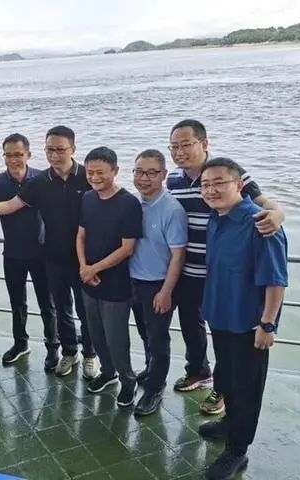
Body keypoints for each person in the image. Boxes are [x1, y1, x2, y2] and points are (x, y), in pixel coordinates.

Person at [166, 119, 285, 415]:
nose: (179, 152)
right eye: (174, 147)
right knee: (196, 328)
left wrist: (278, 214)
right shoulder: (174, 179)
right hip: (188, 269)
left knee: (234, 342)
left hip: (223, 271)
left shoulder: (228, 172)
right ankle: (199, 372)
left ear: (204, 143)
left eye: (186, 144)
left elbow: (262, 202)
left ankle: (223, 392)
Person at [0, 126, 100, 380]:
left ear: (73, 149)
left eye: (60, 149)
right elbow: (10, 205)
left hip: (83, 259)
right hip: (50, 256)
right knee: (61, 308)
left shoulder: (87, 177)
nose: (55, 155)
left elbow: (107, 201)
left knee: (85, 310)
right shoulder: (39, 182)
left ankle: (90, 354)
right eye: (50, 150)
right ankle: (69, 352)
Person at [198, 157, 288, 480]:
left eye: (219, 182)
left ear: (239, 184)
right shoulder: (216, 219)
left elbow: (276, 281)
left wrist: (267, 324)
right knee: (226, 376)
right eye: (206, 185)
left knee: (247, 387)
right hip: (219, 314)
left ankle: (238, 450)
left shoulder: (261, 224)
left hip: (249, 323)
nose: (211, 190)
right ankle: (228, 423)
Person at [0, 133, 59, 368]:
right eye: (8, 155)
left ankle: (53, 346)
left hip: (43, 252)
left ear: (28, 154)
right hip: (13, 253)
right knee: (17, 303)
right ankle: (20, 343)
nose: (13, 159)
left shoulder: (43, 179)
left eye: (18, 154)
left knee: (48, 304)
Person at [75, 147, 142, 406]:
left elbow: (127, 248)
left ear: (115, 171)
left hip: (116, 283)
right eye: (90, 172)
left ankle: (128, 380)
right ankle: (108, 372)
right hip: (88, 280)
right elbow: (81, 235)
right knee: (96, 333)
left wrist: (94, 269)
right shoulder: (88, 198)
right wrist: (84, 267)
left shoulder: (128, 203)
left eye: (100, 172)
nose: (94, 177)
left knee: (116, 337)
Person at [129, 149, 187, 416]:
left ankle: (155, 388)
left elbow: (178, 255)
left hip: (158, 284)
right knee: (144, 332)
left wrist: (166, 292)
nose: (144, 178)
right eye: (139, 172)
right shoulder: (132, 203)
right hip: (133, 280)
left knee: (158, 337)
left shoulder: (172, 209)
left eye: (151, 173)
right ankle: (150, 368)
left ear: (164, 174)